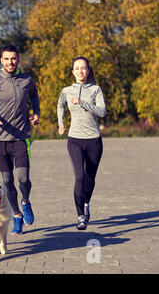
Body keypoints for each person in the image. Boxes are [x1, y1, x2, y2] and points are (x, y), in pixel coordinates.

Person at [0, 44, 40, 235]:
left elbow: (34, 97)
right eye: (6, 59)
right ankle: (16, 216)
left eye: (13, 58)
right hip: (0, 140)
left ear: (18, 59)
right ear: (1, 60)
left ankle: (26, 202)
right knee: (7, 182)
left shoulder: (26, 81)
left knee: (23, 179)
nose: (10, 62)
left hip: (21, 138)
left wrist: (36, 113)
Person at [57, 56, 106, 230]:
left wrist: (83, 103)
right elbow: (60, 105)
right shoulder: (66, 90)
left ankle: (86, 203)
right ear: (73, 72)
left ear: (88, 70)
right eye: (77, 68)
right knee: (80, 177)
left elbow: (102, 111)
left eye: (83, 68)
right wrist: (61, 123)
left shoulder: (96, 90)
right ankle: (80, 216)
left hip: (94, 140)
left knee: (90, 179)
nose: (80, 71)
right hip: (75, 139)